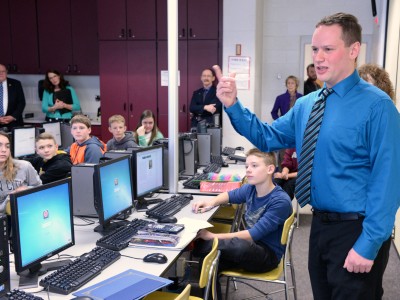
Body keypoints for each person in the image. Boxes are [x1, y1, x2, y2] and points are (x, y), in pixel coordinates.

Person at [213, 12, 400, 300]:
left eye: (328, 49)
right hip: (319, 227)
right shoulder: (307, 105)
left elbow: (387, 181)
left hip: (357, 229)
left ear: (353, 50)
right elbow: (266, 136)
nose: (319, 58)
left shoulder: (378, 106)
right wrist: (233, 104)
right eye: (315, 49)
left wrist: (370, 242)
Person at [192, 149, 292, 297]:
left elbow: (253, 235)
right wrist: (209, 202)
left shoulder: (280, 201)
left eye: (254, 166)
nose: (248, 170)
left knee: (237, 245)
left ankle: (201, 246)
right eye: (247, 166)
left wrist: (213, 236)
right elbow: (229, 195)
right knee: (208, 262)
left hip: (267, 256)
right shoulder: (251, 189)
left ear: (270, 169)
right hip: (250, 248)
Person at [0, 131, 42, 214]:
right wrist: (10, 198)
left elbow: (40, 190)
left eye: (7, 146)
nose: (4, 150)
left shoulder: (24, 166)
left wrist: (26, 190)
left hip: (25, 214)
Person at [0, 64, 26, 130]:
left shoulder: (16, 84)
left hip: (14, 123)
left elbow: (21, 103)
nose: (1, 73)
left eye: (3, 71)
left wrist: (13, 116)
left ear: (7, 72)